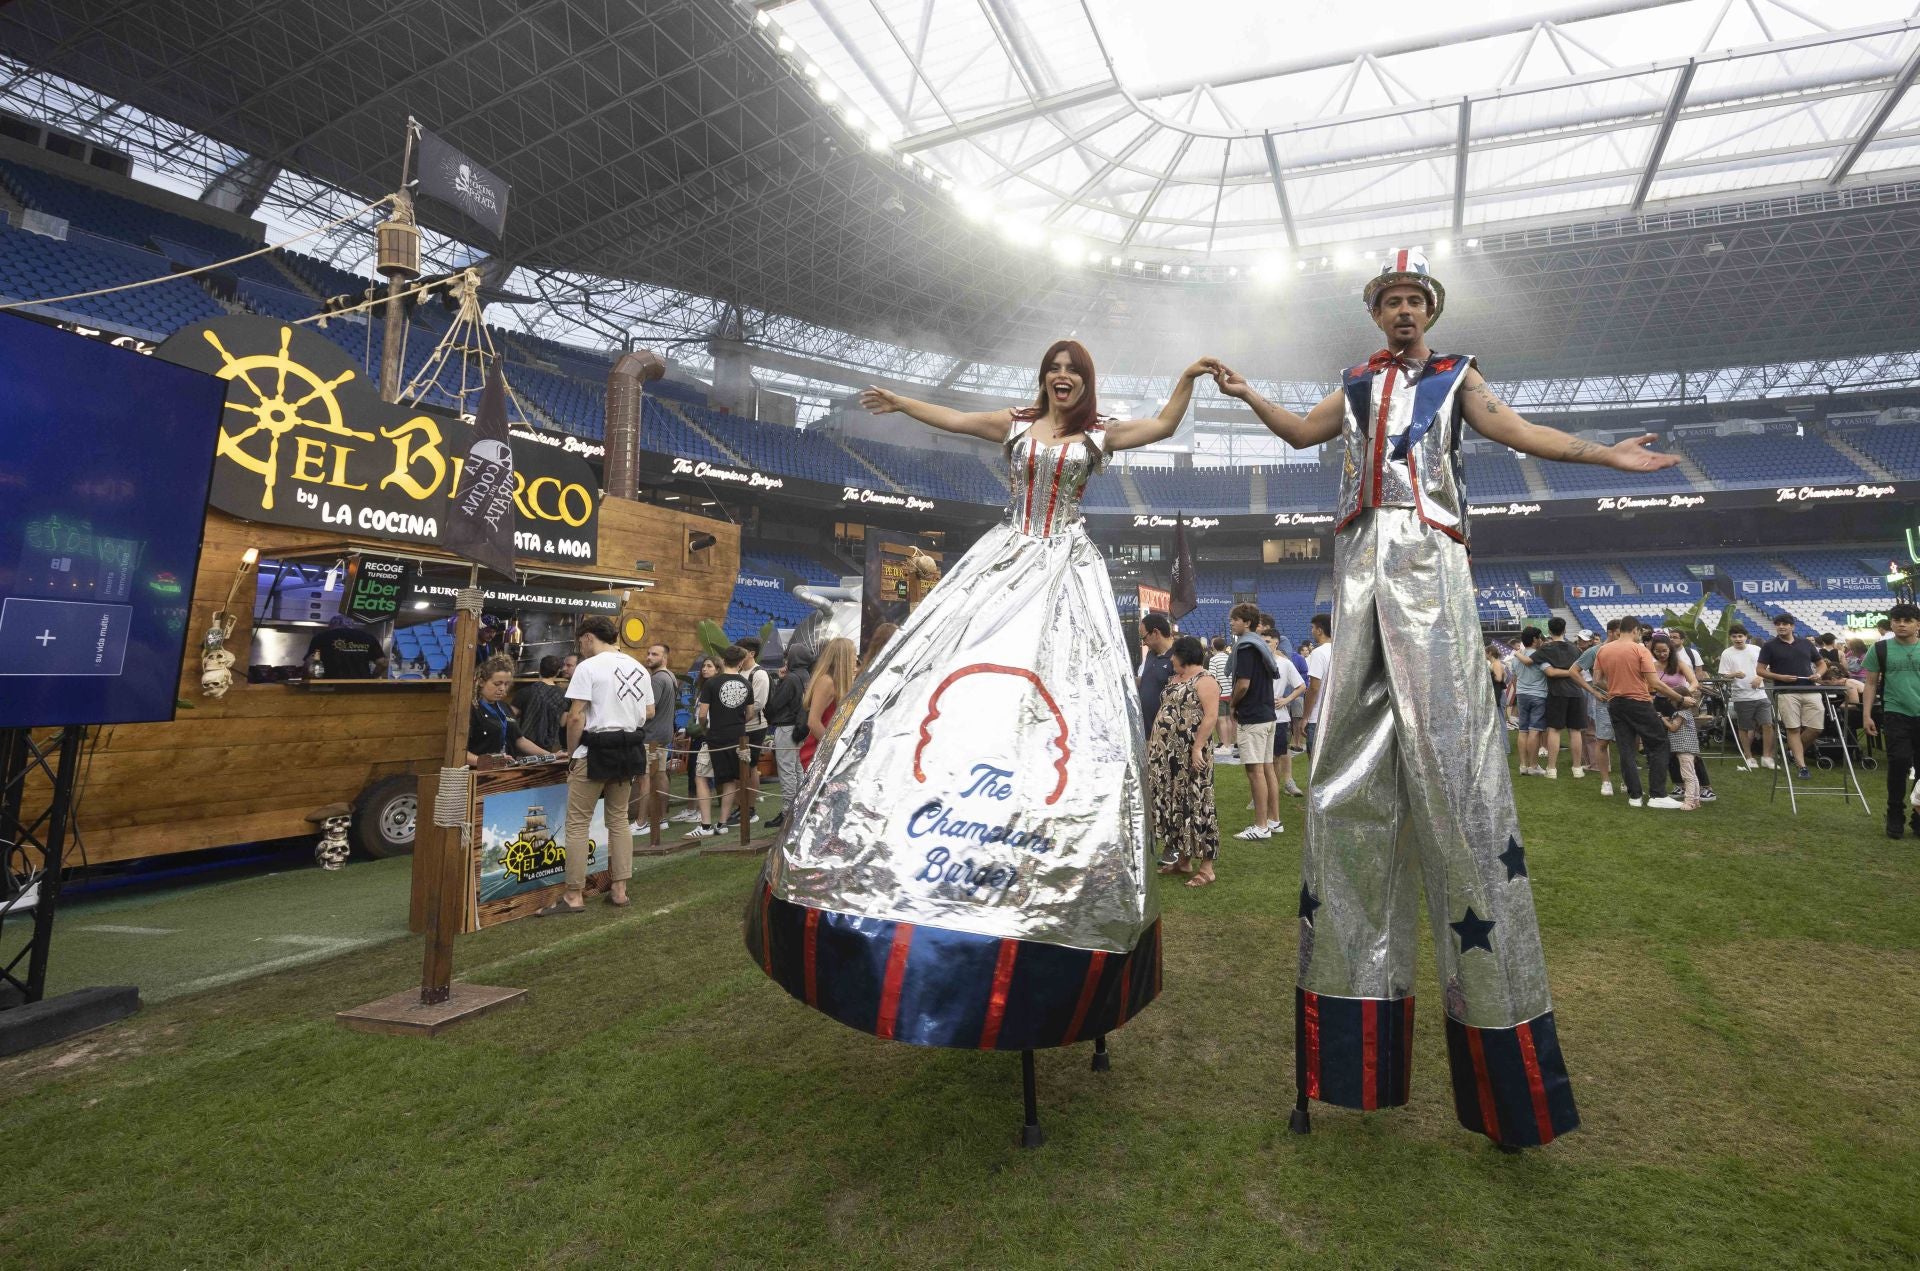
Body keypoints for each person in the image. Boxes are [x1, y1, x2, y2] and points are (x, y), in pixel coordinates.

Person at [1210, 248, 1682, 1147]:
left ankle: (1502, 1065)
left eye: (1412, 301)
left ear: (1428, 311)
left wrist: (1603, 454)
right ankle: (1343, 1050)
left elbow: (1518, 430)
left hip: (1432, 571)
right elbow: (1300, 436)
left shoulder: (1459, 377)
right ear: (1375, 313)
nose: (1400, 312)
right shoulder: (1354, 383)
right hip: (1358, 578)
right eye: (1388, 301)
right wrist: (1246, 397)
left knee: (1458, 786)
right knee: (1346, 786)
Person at [747, 340, 1213, 1052]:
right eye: (1055, 368)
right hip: (1003, 559)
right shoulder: (1018, 423)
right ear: (1045, 376)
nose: (1063, 377)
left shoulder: (1099, 433)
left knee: (1069, 691)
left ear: (1085, 381)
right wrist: (903, 402)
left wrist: (1181, 378)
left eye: (1075, 370)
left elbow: (1165, 427)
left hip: (1064, 568)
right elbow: (956, 420)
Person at [542, 616, 651, 914]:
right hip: (629, 748)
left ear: (589, 638)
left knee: (578, 823)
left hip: (595, 749)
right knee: (618, 820)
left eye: (580, 641)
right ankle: (619, 890)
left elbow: (576, 717)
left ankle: (574, 895)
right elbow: (647, 712)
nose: (581, 646)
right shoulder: (639, 667)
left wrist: (573, 753)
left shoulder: (588, 667)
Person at [1148, 636, 1220, 887]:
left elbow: (1211, 716)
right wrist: (1154, 742)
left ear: (1183, 655)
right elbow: (1164, 710)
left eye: (1174, 655)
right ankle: (1183, 860)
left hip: (1191, 754)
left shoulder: (1205, 680)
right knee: (1174, 804)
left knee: (1197, 803)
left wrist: (1197, 747)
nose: (1171, 660)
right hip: (1165, 756)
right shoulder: (1175, 679)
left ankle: (1207, 868)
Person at [1596, 617, 1688, 809]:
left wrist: (1615, 687)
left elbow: (1597, 680)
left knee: (1626, 749)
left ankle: (1635, 796)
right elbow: (1655, 684)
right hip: (1638, 702)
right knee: (1659, 744)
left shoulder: (1603, 650)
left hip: (1615, 703)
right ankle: (1657, 794)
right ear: (1636, 630)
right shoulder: (1640, 650)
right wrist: (1680, 698)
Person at [1862, 602, 1920, 838]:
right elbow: (1871, 683)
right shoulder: (1880, 649)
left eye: (1907, 620)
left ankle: (1919, 815)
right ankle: (1895, 812)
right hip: (1896, 713)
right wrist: (1866, 714)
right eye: (1897, 620)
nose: (1902, 624)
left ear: (1918, 624)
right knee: (1899, 762)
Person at [1228, 601, 1282, 840]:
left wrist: (1232, 703)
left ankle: (1261, 826)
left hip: (1253, 716)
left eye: (1235, 619)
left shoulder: (1247, 646)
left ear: (1246, 622)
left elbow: (1243, 684)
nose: (1232, 623)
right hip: (1267, 713)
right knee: (1267, 767)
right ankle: (1274, 820)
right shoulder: (1261, 645)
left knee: (1255, 770)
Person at [694, 645, 753, 838]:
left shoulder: (711, 684)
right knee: (730, 780)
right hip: (738, 736)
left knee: (701, 776)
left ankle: (705, 825)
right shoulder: (747, 683)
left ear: (723, 660)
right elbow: (750, 713)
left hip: (715, 735)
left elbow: (702, 714)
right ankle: (722, 823)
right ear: (742, 662)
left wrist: (704, 728)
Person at [1758, 613, 1824, 780]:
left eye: (1785, 624)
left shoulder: (1806, 643)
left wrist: (1818, 674)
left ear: (1792, 626)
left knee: (1817, 728)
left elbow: (1821, 664)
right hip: (1786, 691)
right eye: (1778, 624)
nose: (1781, 626)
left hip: (1810, 689)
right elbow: (1760, 670)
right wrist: (1780, 677)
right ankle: (1802, 766)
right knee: (1793, 728)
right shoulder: (1769, 646)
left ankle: (1791, 751)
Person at [466, 654, 558, 766]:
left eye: (506, 684)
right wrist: (487, 762)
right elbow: (460, 751)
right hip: (478, 772)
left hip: (506, 769)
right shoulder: (470, 709)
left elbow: (519, 740)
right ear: (481, 682)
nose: (502, 689)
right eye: (497, 684)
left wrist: (551, 756)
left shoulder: (504, 707)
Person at [628, 642, 679, 833]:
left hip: (651, 737)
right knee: (660, 775)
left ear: (664, 658)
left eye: (654, 654)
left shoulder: (656, 680)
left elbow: (648, 711)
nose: (649, 657)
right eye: (648, 653)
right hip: (663, 734)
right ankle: (661, 818)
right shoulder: (670, 676)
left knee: (645, 779)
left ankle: (642, 822)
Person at [1649, 635, 1701, 810]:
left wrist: (1683, 695)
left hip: (1678, 704)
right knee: (1666, 749)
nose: (1661, 654)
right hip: (1660, 704)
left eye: (1664, 650)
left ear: (1670, 649)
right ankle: (1678, 784)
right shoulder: (1652, 666)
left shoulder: (1679, 664)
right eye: (1657, 651)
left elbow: (1694, 682)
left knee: (1686, 751)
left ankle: (1703, 788)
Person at [762, 646, 810, 832]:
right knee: (798, 769)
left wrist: (779, 682)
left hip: (787, 727)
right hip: (801, 727)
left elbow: (775, 704)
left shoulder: (790, 679)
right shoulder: (807, 676)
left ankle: (788, 811)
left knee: (787, 770)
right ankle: (800, 807)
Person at [1717, 623, 1775, 770]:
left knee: (1768, 725)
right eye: (1734, 636)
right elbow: (1723, 676)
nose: (1738, 639)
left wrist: (1760, 678)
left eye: (1740, 636)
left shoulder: (1756, 649)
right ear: (1730, 638)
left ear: (1746, 637)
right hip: (1741, 696)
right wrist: (1734, 674)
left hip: (1761, 694)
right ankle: (1748, 757)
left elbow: (1766, 669)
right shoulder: (1727, 653)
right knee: (1745, 728)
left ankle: (1767, 757)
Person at [1537, 617, 1588, 779]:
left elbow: (1547, 671)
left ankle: (1552, 769)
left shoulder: (1545, 649)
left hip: (1557, 693)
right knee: (1575, 731)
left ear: (1550, 631)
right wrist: (1572, 673)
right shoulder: (1575, 649)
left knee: (1554, 730)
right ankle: (1577, 768)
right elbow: (1581, 671)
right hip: (1576, 692)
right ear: (1565, 630)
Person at [731, 636, 772, 831]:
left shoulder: (759, 674)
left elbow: (758, 704)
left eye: (740, 649)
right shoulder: (737, 671)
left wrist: (737, 720)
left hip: (754, 727)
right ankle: (741, 806)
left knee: (750, 766)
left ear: (751, 653)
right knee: (739, 770)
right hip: (738, 727)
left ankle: (751, 808)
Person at [1574, 621, 1619, 795]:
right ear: (1611, 632)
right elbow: (1574, 671)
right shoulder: (1595, 651)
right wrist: (1593, 691)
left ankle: (1624, 779)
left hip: (1622, 700)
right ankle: (1605, 779)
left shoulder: (1629, 648)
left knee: (1624, 740)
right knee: (1599, 736)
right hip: (1603, 700)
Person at [798, 636, 854, 771]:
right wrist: (834, 748)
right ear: (844, 658)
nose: (855, 659)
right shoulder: (826, 681)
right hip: (821, 752)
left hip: (829, 750)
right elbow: (813, 721)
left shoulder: (838, 683)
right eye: (853, 655)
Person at [1266, 630, 1306, 797]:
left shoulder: (1285, 663)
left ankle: (1273, 791)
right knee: (1260, 759)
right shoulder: (1254, 663)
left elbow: (1301, 685)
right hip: (1258, 717)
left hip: (1279, 718)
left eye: (1268, 641)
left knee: (1276, 756)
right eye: (1262, 641)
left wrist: (1286, 700)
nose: (1265, 644)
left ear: (1276, 642)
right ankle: (1261, 793)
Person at [1511, 627, 1551, 776]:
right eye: (1539, 637)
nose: (1541, 640)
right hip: (1538, 695)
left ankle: (1523, 765)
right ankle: (1533, 766)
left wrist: (1519, 691)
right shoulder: (1540, 655)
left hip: (1522, 695)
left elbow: (1514, 679)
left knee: (1523, 731)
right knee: (1534, 731)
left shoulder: (1517, 657)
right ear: (1534, 639)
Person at [514, 654, 570, 754]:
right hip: (552, 749)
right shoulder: (564, 695)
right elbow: (562, 722)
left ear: (540, 669)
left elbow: (510, 718)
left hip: (525, 748)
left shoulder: (525, 692)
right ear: (557, 672)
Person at [304, 614, 387, 679]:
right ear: (352, 625)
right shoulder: (368, 637)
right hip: (361, 687)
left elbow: (312, 662)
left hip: (331, 685)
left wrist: (316, 679)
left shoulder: (321, 637)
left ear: (332, 625)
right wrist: (372, 677)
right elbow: (383, 663)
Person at [1137, 611, 1176, 736]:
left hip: (1167, 734)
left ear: (1155, 632)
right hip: (1147, 732)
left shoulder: (1178, 656)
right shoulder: (1150, 654)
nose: (1143, 643)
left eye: (1144, 638)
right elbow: (1147, 680)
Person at [1300, 613, 1332, 755]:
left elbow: (1314, 687)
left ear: (1319, 630)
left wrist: (1305, 716)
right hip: (1335, 715)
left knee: (1315, 762)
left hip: (1318, 716)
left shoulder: (1318, 653)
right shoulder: (1340, 650)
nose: (1311, 631)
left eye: (1313, 628)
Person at [1207, 636, 1238, 759]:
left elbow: (1212, 677)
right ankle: (1229, 743)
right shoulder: (1229, 658)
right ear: (1225, 647)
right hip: (1231, 693)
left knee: (1222, 720)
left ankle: (1225, 746)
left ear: (1213, 646)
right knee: (1230, 720)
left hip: (1220, 693)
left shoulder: (1213, 660)